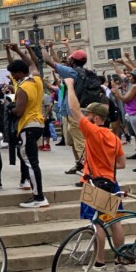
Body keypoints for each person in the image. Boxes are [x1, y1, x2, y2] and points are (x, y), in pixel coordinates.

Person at [63, 77, 128, 272]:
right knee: (115, 221)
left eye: (89, 115)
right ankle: (121, 260)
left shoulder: (93, 132)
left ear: (97, 119)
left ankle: (100, 263)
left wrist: (70, 86)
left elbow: (74, 109)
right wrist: (104, 162)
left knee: (97, 223)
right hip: (111, 183)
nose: (85, 117)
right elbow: (121, 164)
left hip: (94, 184)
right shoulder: (114, 138)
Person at [6, 44, 48, 208]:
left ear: (19, 73)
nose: (13, 77)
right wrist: (17, 50)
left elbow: (19, 112)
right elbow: (32, 63)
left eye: (13, 74)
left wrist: (10, 108)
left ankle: (39, 197)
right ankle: (37, 195)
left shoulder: (23, 88)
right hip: (38, 123)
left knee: (30, 163)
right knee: (32, 161)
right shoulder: (36, 80)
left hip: (27, 125)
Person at [41, 41, 92, 175]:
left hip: (74, 113)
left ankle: (88, 172)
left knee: (79, 142)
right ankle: (79, 165)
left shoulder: (71, 73)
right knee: (72, 142)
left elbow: (48, 61)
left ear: (72, 61)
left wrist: (42, 47)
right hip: (70, 113)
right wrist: (63, 46)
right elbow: (61, 60)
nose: (67, 60)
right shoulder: (81, 71)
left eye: (69, 59)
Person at [108, 67, 136, 173]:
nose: (130, 77)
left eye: (132, 76)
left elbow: (125, 99)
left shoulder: (135, 87)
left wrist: (116, 91)